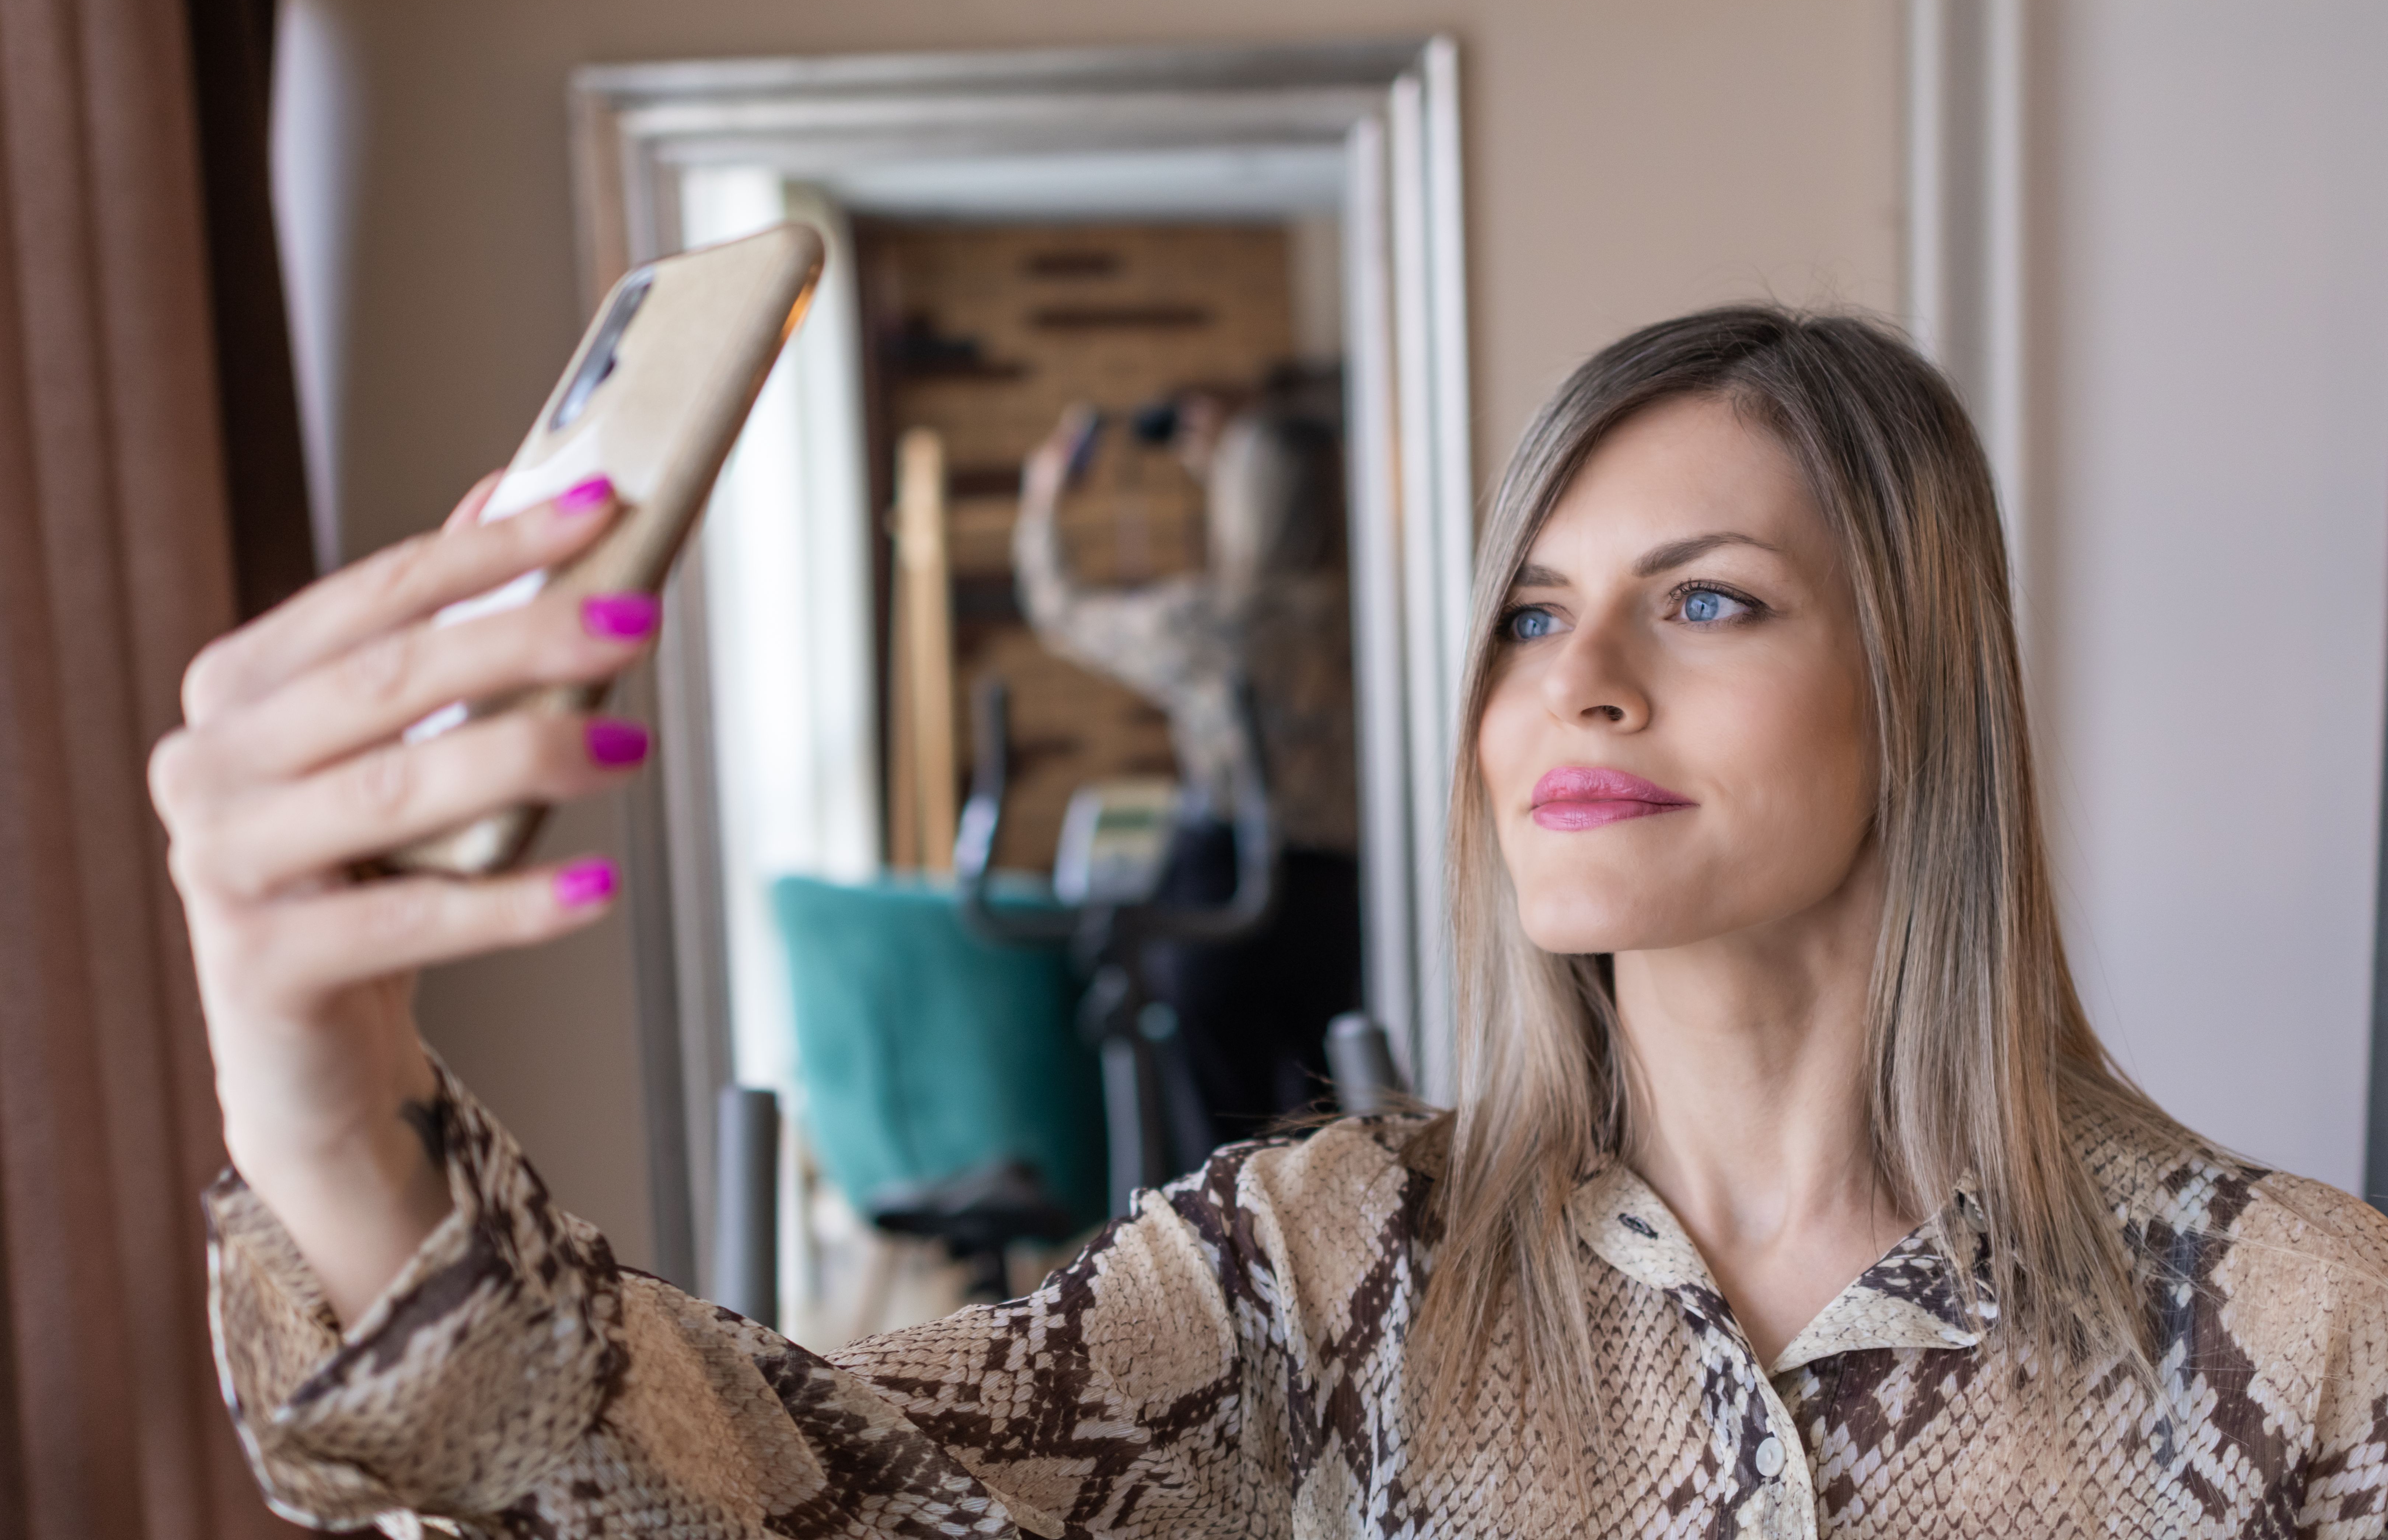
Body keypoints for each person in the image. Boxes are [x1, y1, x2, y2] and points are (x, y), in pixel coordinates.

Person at [154, 306, 2388, 1537]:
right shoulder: (1335, 1267)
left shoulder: (2307, 1338)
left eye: (1706, 601)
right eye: (1529, 616)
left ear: (1925, 696)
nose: (1577, 683)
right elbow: (767, 1482)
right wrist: (323, 1092)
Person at [1012, 374, 1362, 1147]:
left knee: (1228, 1156)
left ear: (1241, 503)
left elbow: (1060, 608)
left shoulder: (1213, 625)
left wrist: (1045, 500)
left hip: (1224, 899)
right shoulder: (1375, 612)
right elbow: (1290, 521)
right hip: (1341, 900)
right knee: (1336, 1140)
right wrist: (1234, 463)